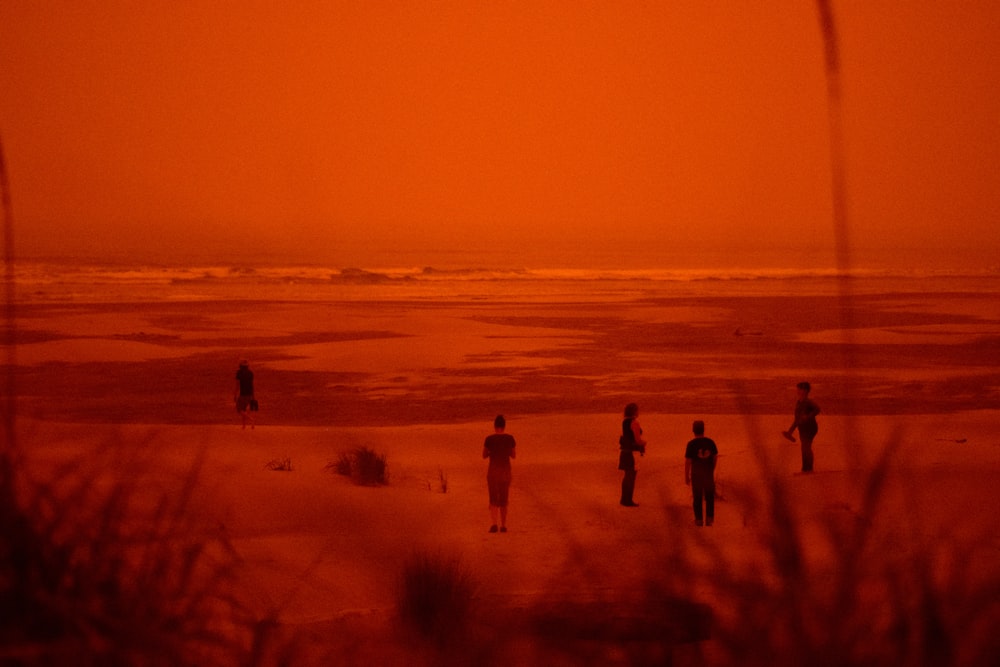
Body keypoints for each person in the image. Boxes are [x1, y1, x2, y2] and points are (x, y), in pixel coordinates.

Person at [483, 414, 516, 533]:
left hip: (493, 471)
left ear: (494, 426)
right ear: (504, 426)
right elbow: (513, 455)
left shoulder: (489, 439)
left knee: (493, 499)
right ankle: (503, 525)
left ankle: (494, 524)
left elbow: (484, 455)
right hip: (505, 471)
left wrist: (492, 452)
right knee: (504, 499)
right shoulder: (510, 438)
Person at [685, 420, 718, 526]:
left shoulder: (691, 444)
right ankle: (709, 519)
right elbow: (715, 457)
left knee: (697, 497)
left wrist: (686, 476)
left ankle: (699, 520)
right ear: (704, 429)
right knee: (709, 497)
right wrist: (711, 468)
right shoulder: (710, 442)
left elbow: (688, 461)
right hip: (708, 473)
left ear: (693, 430)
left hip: (696, 474)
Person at [782, 381, 821, 472]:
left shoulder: (808, 401)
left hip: (810, 427)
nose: (798, 391)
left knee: (806, 447)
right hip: (802, 428)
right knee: (804, 447)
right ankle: (806, 468)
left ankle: (808, 469)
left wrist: (807, 417)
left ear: (805, 391)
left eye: (800, 389)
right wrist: (790, 431)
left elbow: (817, 409)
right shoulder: (799, 402)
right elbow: (797, 419)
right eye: (798, 389)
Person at [618, 403, 647, 507]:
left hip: (625, 451)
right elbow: (637, 440)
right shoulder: (634, 423)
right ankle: (628, 500)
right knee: (631, 476)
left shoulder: (625, 421)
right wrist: (644, 443)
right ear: (634, 411)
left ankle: (624, 499)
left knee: (627, 476)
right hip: (632, 453)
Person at [234, 359, 256, 430]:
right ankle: (244, 426)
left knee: (239, 409)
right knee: (245, 410)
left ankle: (250, 419)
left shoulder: (239, 373)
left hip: (242, 394)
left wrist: (235, 395)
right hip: (250, 394)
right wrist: (253, 396)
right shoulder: (250, 373)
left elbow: (237, 385)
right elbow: (252, 385)